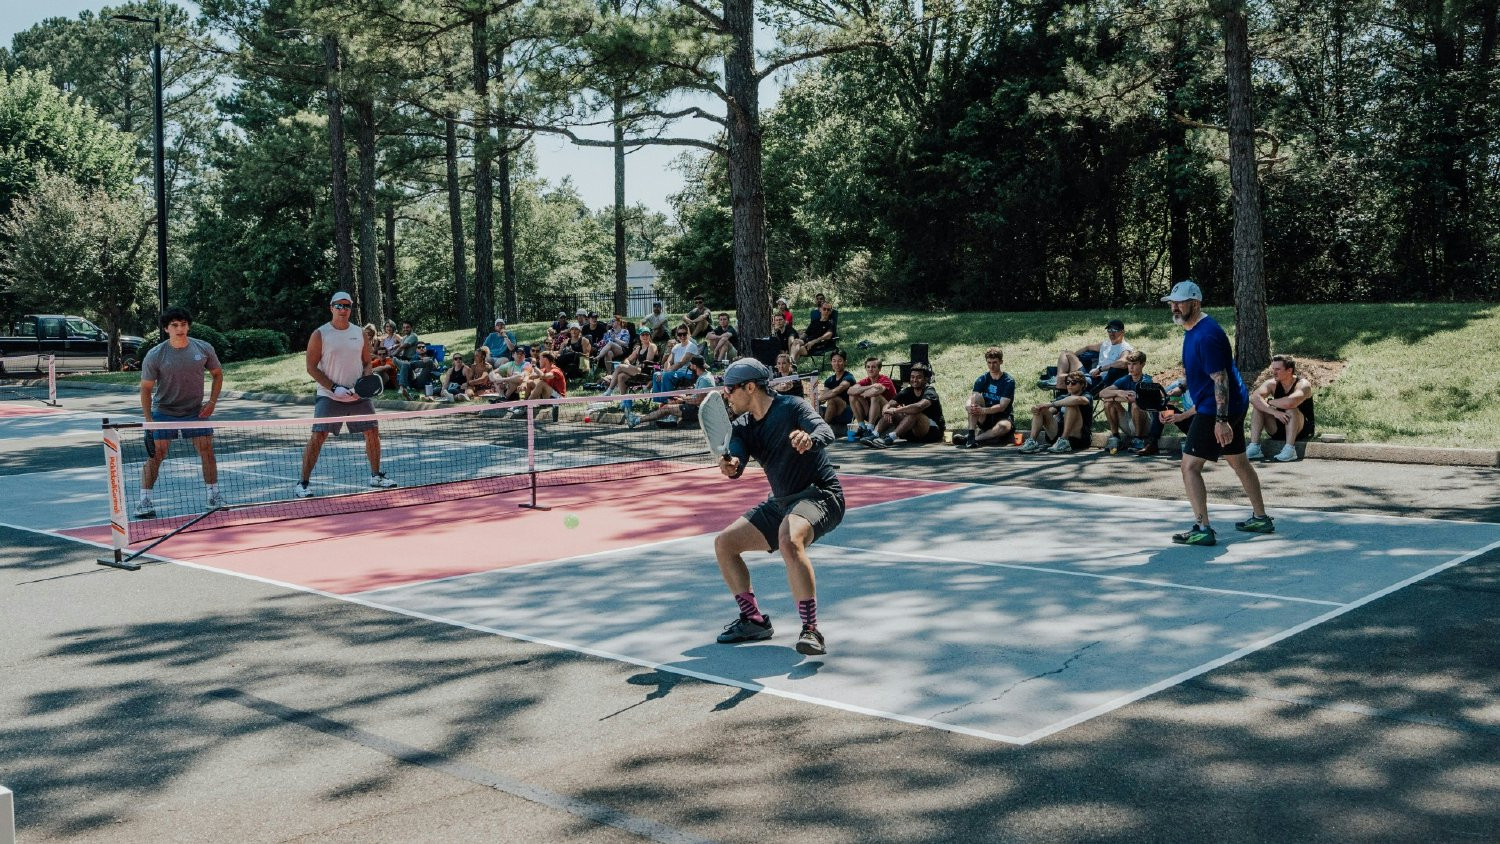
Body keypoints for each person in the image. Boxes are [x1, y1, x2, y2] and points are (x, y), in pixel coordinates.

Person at [713, 358, 844, 657]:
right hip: (782, 502)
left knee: (789, 538)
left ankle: (811, 630)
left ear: (750, 387)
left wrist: (809, 438)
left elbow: (825, 431)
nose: (726, 395)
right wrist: (730, 465)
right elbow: (737, 462)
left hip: (821, 495)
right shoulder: (742, 427)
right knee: (725, 544)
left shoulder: (792, 407)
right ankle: (753, 620)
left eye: (730, 389)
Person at [1160, 280, 1272, 546]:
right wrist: (1183, 386)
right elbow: (1202, 370)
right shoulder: (1193, 329)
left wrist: (1221, 421)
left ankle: (1202, 528)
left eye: (1180, 303)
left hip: (1216, 409)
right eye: (1172, 303)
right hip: (1230, 404)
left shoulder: (1206, 335)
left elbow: (1220, 379)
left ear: (1195, 303)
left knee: (1189, 466)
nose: (1174, 307)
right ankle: (1261, 518)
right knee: (1238, 461)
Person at [295, 291, 397, 498]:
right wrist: (334, 388)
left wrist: (363, 386)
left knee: (372, 432)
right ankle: (303, 483)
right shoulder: (320, 334)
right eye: (338, 306)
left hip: (358, 395)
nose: (342, 309)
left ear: (351, 309)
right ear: (331, 308)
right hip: (329, 395)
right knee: (318, 435)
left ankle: (376, 476)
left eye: (346, 306)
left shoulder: (359, 333)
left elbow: (367, 362)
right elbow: (311, 367)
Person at [134, 306, 225, 518]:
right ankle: (144, 501)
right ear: (166, 329)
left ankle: (214, 497)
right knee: (156, 455)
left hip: (196, 412)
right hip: (164, 412)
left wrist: (212, 402)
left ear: (188, 326)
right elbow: (146, 388)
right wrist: (149, 420)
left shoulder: (203, 348)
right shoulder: (155, 354)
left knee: (207, 451)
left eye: (183, 324)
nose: (179, 329)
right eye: (174, 325)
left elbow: (217, 374)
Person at [1247, 354, 1315, 462]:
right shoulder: (1272, 383)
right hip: (1279, 426)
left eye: (1278, 369)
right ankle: (1254, 447)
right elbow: (1253, 398)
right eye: (1273, 369)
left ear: (1289, 370)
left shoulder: (1303, 385)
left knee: (1291, 409)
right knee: (1258, 407)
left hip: (1301, 429)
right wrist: (1274, 412)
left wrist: (1268, 401)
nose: (1274, 372)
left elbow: (1290, 403)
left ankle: (1290, 450)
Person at [862, 361, 945, 449]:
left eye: (919, 377)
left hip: (931, 432)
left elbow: (918, 407)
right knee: (892, 411)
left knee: (914, 413)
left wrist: (895, 410)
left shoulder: (930, 392)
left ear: (926, 379)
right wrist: (886, 410)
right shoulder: (908, 391)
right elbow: (890, 404)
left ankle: (889, 439)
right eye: (912, 377)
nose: (914, 380)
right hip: (912, 432)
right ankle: (874, 434)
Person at [628, 355, 714, 428]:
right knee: (672, 401)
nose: (690, 367)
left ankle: (636, 420)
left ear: (694, 366)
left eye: (691, 365)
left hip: (700, 411)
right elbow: (698, 397)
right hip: (697, 407)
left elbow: (699, 401)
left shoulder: (704, 379)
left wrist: (683, 400)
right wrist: (683, 397)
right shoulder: (704, 375)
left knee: (666, 407)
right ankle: (671, 419)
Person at [954, 346, 1015, 448]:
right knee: (976, 398)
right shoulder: (982, 378)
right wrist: (969, 407)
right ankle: (971, 433)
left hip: (1002, 416)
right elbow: (973, 397)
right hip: (984, 417)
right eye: (989, 362)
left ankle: (973, 439)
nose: (992, 366)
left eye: (995, 362)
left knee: (1004, 426)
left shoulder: (1008, 381)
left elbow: (1002, 406)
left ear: (1001, 362)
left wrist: (982, 410)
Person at [1019, 372, 1092, 454]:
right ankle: (1031, 442)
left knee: (1071, 405)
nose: (1070, 385)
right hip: (1057, 438)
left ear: (1082, 384)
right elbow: (1050, 410)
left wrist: (1051, 404)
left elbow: (1078, 400)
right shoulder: (1063, 397)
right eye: (1067, 382)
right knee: (1041, 409)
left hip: (1079, 438)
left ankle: (1064, 441)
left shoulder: (1086, 395)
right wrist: (1037, 410)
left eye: (1074, 382)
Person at [1057, 318, 1134, 394]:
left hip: (1099, 381)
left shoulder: (1125, 348)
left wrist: (1100, 369)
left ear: (1122, 332)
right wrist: (1071, 360)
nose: (1111, 333)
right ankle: (1059, 377)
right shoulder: (1106, 344)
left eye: (1115, 330)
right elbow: (1087, 347)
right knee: (1066, 353)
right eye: (1109, 330)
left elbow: (1123, 363)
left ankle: (1061, 386)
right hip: (1089, 375)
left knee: (1065, 379)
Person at [1097, 350, 1154, 453]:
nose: (1131, 367)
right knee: (1108, 403)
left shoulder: (1147, 380)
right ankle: (1115, 437)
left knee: (1136, 404)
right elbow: (1102, 393)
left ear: (1142, 365)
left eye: (1134, 364)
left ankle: (1138, 439)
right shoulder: (1126, 379)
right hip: (1130, 422)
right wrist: (1119, 392)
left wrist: (1114, 396)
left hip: (1146, 425)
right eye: (1129, 364)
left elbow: (1134, 398)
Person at [846, 356, 897, 442]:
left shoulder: (885, 379)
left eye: (873, 367)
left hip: (888, 414)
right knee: (852, 396)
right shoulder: (866, 381)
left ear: (879, 369)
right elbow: (850, 391)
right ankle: (862, 427)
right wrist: (871, 386)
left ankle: (870, 429)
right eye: (868, 367)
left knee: (875, 396)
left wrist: (859, 392)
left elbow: (875, 392)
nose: (870, 369)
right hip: (872, 412)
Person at [651, 326, 700, 393]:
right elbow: (669, 362)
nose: (682, 336)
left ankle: (666, 398)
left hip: (687, 374)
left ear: (688, 334)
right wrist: (664, 372)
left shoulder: (692, 346)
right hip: (675, 373)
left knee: (666, 376)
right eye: (680, 334)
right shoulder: (676, 347)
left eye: (684, 334)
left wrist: (665, 373)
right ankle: (658, 398)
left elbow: (681, 363)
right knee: (656, 374)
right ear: (677, 336)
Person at [816, 350, 856, 428]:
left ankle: (823, 427)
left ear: (845, 362)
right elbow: (825, 397)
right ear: (831, 362)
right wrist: (814, 404)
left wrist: (818, 400)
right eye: (834, 361)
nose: (836, 364)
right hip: (833, 409)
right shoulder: (829, 380)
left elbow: (837, 390)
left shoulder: (849, 377)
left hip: (848, 411)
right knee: (818, 408)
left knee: (833, 398)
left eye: (840, 361)